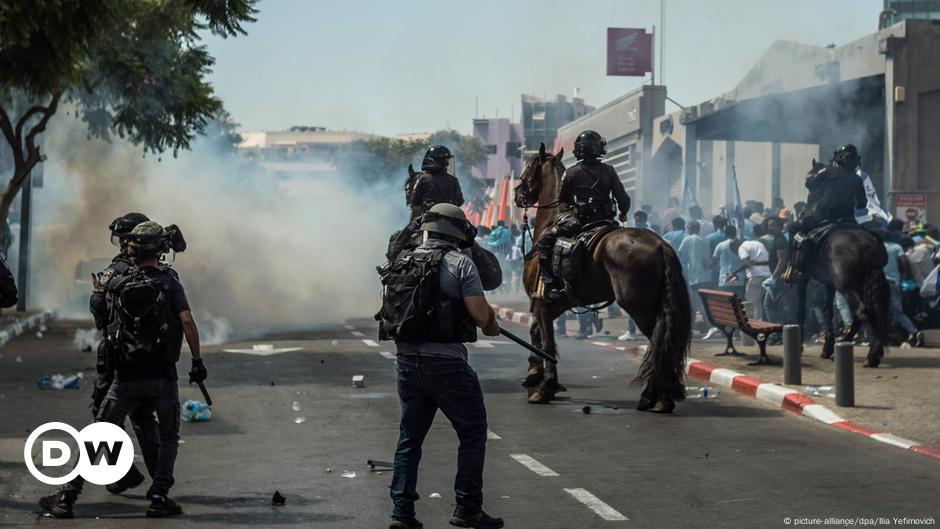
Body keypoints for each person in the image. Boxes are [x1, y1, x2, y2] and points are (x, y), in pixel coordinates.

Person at [377, 203, 503, 529]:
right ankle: (467, 508)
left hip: (407, 362)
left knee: (409, 439)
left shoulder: (400, 262)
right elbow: (480, 315)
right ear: (457, 232)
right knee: (473, 433)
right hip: (447, 364)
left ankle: (402, 514)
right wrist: (491, 323)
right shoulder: (461, 264)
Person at [38, 213, 164, 519]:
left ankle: (70, 496)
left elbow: (99, 310)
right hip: (153, 364)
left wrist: (98, 294)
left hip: (120, 361)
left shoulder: (119, 271)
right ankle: (157, 486)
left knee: (103, 423)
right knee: (145, 420)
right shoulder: (161, 273)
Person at [94, 222, 203, 517]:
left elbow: (100, 312)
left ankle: (68, 496)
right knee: (168, 435)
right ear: (161, 249)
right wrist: (197, 362)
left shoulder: (117, 280)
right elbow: (188, 323)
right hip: (161, 375)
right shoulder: (169, 281)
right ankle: (159, 493)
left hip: (125, 373)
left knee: (100, 429)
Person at [535, 130, 630, 298]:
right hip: (608, 222)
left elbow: (562, 201)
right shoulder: (609, 171)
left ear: (579, 150)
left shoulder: (570, 173)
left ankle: (551, 285)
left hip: (579, 223)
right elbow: (623, 199)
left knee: (543, 241)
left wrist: (570, 214)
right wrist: (623, 214)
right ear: (598, 149)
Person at [786, 145, 868, 279]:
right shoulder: (858, 179)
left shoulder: (828, 171)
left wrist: (809, 176)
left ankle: (794, 267)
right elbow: (862, 204)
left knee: (793, 227)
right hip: (848, 219)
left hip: (822, 216)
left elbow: (810, 184)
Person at [387, 145, 464, 260]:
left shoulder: (423, 178)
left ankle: (391, 261)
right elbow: (459, 202)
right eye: (446, 160)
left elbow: (416, 203)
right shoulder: (454, 180)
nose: (447, 163)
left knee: (400, 239)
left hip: (428, 220)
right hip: (452, 222)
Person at [884, 236, 921, 345]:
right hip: (894, 282)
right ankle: (912, 331)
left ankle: (890, 333)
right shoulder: (896, 247)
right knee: (897, 310)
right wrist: (908, 276)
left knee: (881, 310)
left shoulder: (876, 246)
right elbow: (904, 261)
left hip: (879, 282)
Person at [728, 236, 771, 321]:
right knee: (758, 304)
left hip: (755, 277)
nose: (737, 254)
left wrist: (734, 272)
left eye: (735, 252)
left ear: (735, 246)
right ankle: (759, 323)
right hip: (767, 276)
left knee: (749, 304)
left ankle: (751, 323)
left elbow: (747, 264)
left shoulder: (741, 248)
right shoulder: (757, 243)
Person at [678, 220, 711, 331]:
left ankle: (701, 325)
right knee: (704, 301)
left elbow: (679, 253)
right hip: (706, 275)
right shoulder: (705, 239)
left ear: (690, 228)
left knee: (695, 302)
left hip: (694, 276)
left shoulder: (687, 239)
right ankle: (708, 325)